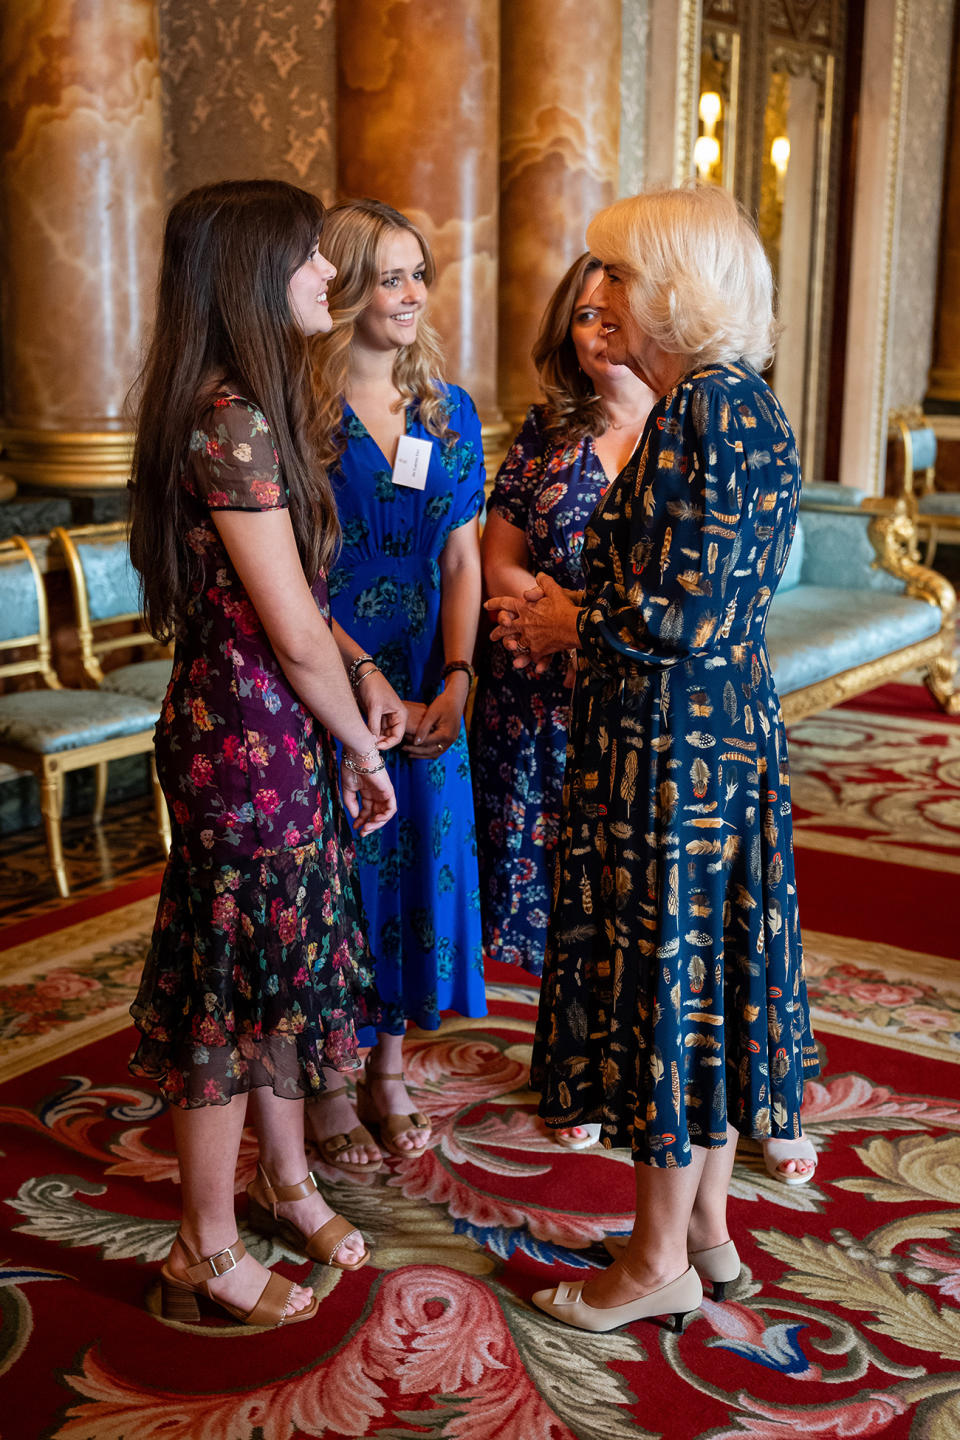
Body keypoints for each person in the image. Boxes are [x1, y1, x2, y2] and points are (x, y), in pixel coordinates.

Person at [487, 183, 820, 1333]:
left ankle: (654, 1260)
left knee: (669, 990)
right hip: (707, 731)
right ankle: (711, 1235)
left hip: (674, 746)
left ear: (677, 288)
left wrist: (568, 619)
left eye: (619, 274)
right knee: (710, 987)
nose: (604, 295)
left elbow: (669, 610)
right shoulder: (736, 404)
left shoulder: (705, 412)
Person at [128, 179, 407, 1329]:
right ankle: (201, 1241)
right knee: (227, 988)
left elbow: (295, 609)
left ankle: (286, 1182)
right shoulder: (228, 417)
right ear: (251, 272)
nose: (325, 277)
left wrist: (354, 693)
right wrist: (365, 749)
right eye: (305, 257)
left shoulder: (240, 402)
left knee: (275, 975)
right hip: (246, 743)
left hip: (263, 729)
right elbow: (288, 634)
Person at [307, 198, 486, 1173]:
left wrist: (456, 678)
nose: (411, 293)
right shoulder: (297, 408)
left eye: (419, 273)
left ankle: (389, 1070)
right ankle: (330, 1085)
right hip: (327, 674)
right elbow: (286, 572)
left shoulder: (444, 409)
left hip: (427, 675)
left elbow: (463, 563)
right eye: (389, 276)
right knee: (341, 875)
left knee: (417, 862)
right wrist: (354, 674)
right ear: (342, 286)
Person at [470, 252, 655, 1149]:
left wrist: (581, 625)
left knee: (633, 886)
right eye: (584, 315)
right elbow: (497, 552)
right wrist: (534, 612)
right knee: (557, 886)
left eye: (615, 312)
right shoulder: (545, 432)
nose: (600, 331)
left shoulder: (684, 429)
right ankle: (571, 1067)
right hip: (535, 693)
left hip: (633, 692)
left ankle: (637, 1065)